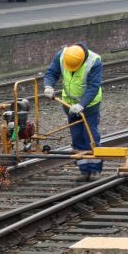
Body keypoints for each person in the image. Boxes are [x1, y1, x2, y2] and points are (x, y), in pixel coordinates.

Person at [43, 43, 104, 181]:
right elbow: (52, 73)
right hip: (69, 106)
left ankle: (95, 170)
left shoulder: (94, 62)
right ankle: (84, 171)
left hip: (89, 107)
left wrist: (82, 104)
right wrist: (48, 86)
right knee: (77, 138)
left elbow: (93, 87)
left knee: (90, 137)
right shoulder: (62, 56)